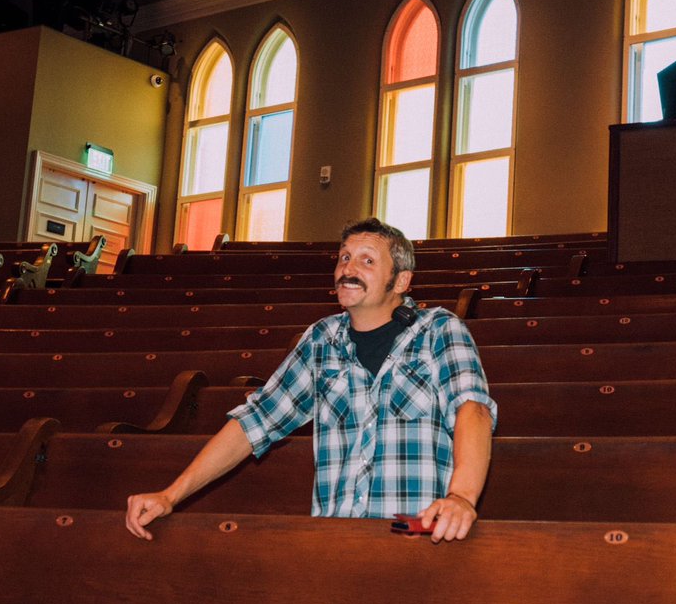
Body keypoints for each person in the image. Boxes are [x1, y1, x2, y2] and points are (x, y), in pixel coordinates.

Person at [125, 217, 496, 544]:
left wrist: (461, 497)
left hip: (413, 533)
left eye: (367, 260)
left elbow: (472, 408)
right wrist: (170, 495)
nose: (348, 268)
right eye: (344, 258)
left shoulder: (438, 330)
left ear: (401, 281)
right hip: (334, 538)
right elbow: (256, 422)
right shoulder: (321, 339)